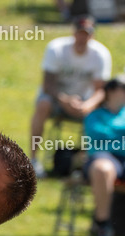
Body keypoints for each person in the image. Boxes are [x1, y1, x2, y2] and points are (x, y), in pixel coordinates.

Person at [29, 15, 112, 178]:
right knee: (42, 105)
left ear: (93, 35)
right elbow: (47, 85)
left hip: (84, 101)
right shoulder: (56, 48)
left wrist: (88, 104)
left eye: (87, 33)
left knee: (100, 114)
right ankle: (33, 160)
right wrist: (64, 100)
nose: (83, 38)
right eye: (80, 33)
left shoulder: (100, 54)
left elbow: (100, 90)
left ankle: (88, 163)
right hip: (56, 99)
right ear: (73, 33)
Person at [82, 77, 125, 236]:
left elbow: (107, 134)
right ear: (111, 92)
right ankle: (102, 226)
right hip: (104, 157)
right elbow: (97, 136)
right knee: (102, 169)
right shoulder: (96, 115)